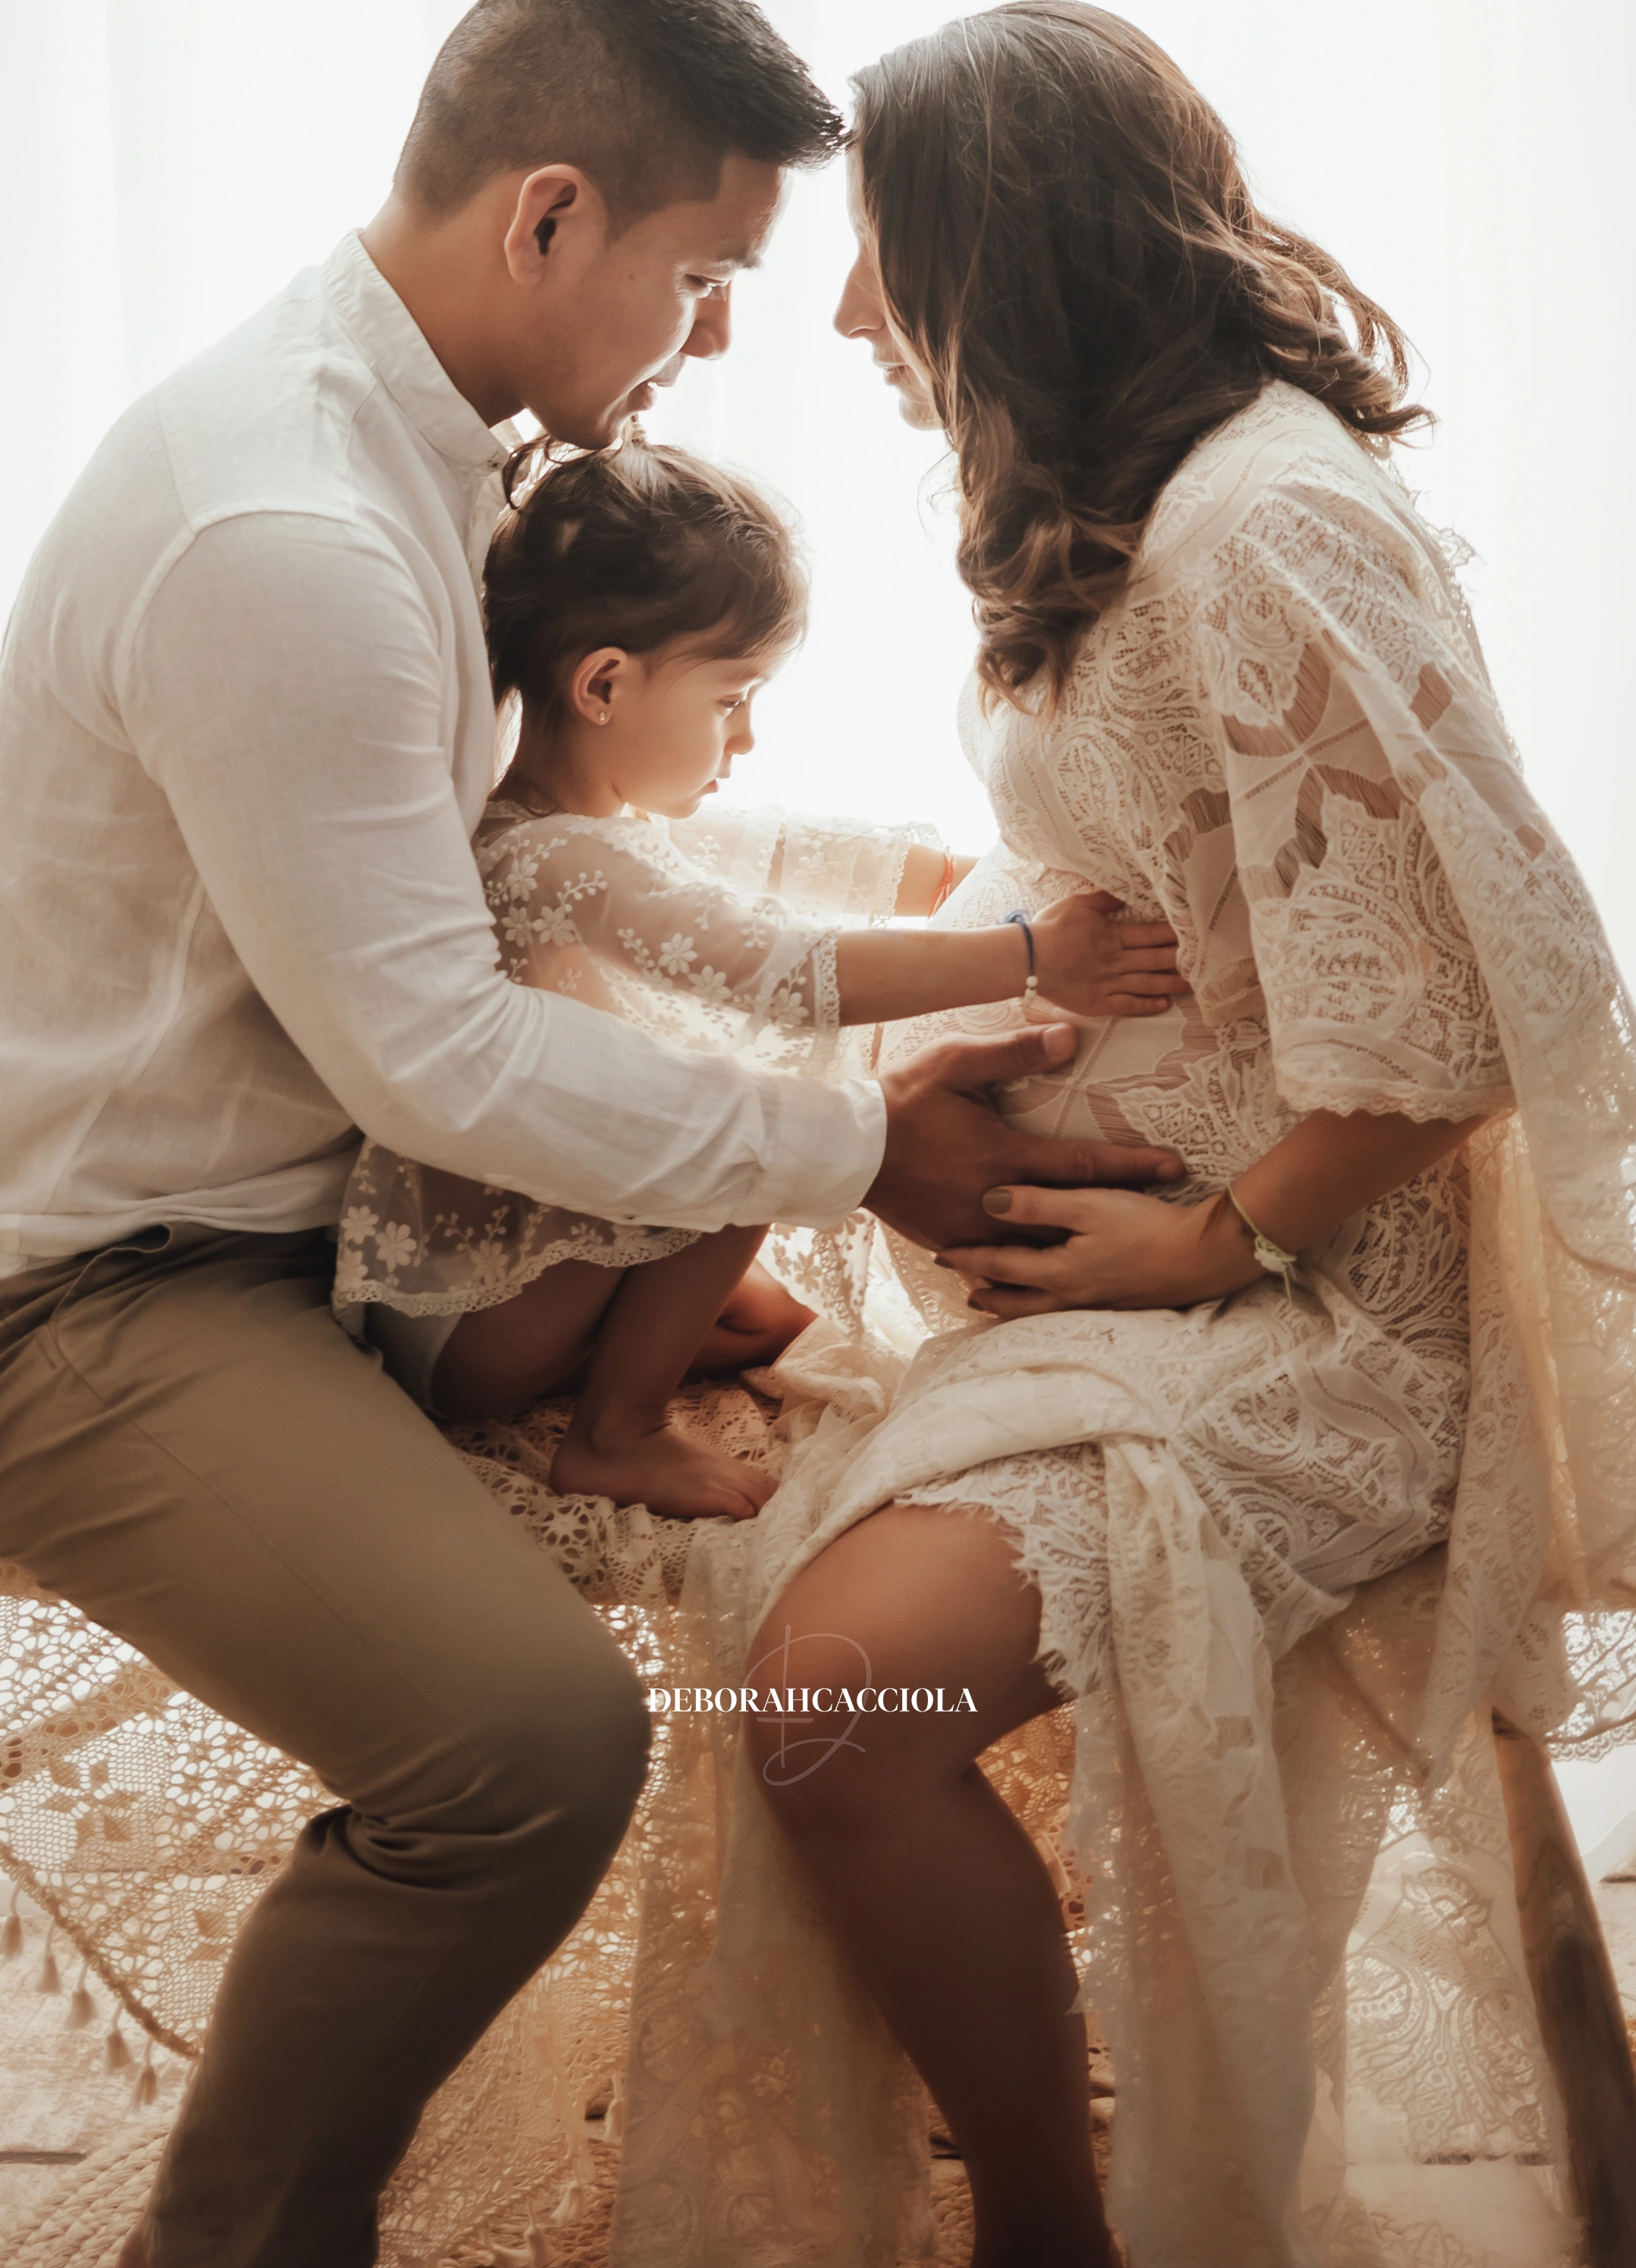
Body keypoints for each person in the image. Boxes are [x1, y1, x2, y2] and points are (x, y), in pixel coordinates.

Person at [0, 0, 1183, 2268]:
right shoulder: (289, 532)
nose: (706, 340)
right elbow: (432, 1051)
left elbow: (565, 871)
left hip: (259, 1232)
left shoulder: (416, 440)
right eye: (700, 276)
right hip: (53, 1286)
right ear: (551, 213)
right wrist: (865, 1133)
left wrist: (914, 993)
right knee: (519, 1745)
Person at [604, 2, 1636, 2268]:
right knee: (746, 1524)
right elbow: (1188, 892)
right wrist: (944, 1029)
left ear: (994, 246)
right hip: (1134, 1243)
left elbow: (1444, 1022)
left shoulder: (1266, 528)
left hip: (1318, 1316)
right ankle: (1030, 2208)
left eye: (872, 252)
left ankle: (1061, 2251)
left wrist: (1197, 1241)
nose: (833, 320)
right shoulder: (1141, 497)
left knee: (832, 1703)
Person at [333, 436, 1189, 1519]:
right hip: (478, 1318)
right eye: (731, 699)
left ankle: (624, 1372)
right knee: (763, 1101)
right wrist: (1028, 953)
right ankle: (617, 1432)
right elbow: (792, 976)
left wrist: (971, 875)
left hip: (479, 1307)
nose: (746, 736)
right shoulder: (554, 858)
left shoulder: (568, 822)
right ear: (603, 685)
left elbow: (780, 848)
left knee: (767, 1321)